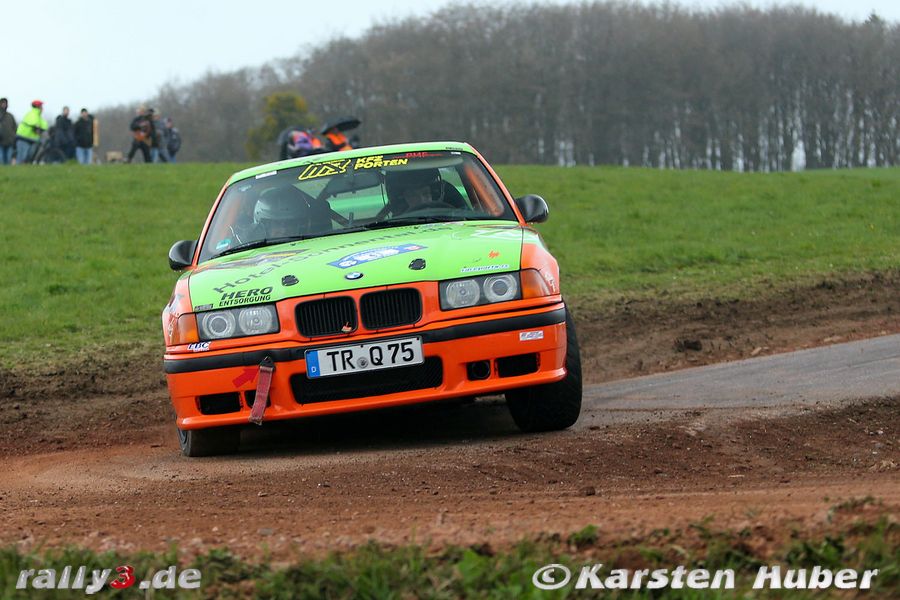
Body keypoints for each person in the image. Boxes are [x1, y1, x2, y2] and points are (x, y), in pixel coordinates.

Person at [15, 100, 48, 165]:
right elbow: (36, 125)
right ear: (38, 107)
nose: (42, 108)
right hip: (24, 137)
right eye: (41, 106)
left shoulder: (38, 116)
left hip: (31, 139)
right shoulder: (33, 114)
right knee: (22, 158)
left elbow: (44, 125)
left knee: (27, 158)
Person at [0, 98, 16, 165]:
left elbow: (14, 127)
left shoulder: (10, 116)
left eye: (5, 103)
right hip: (0, 141)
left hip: (9, 141)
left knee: (8, 158)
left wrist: (13, 137)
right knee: (1, 158)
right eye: (2, 103)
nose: (4, 105)